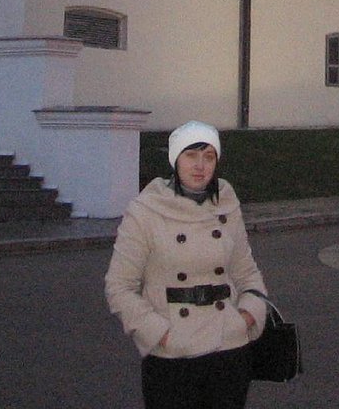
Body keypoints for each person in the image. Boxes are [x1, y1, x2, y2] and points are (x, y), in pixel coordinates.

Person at [106, 121, 269, 408]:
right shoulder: (145, 211)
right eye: (190, 155)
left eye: (208, 157)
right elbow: (119, 287)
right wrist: (159, 333)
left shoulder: (226, 203)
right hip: (173, 356)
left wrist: (248, 314)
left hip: (228, 348)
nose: (200, 166)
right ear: (175, 160)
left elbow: (246, 270)